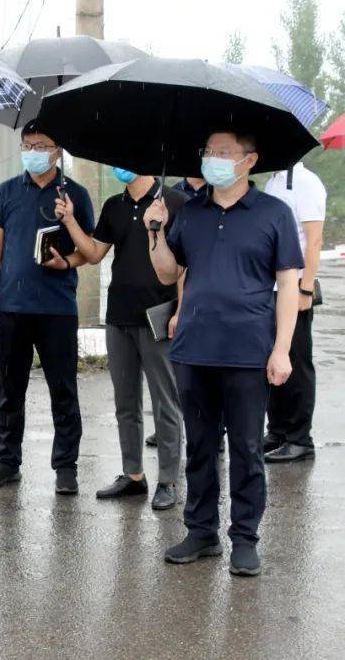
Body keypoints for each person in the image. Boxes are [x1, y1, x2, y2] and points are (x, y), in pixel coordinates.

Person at [145, 130, 303, 577]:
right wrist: (155, 231)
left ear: (249, 160)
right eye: (208, 153)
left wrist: (282, 350)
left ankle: (246, 537)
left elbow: (288, 284)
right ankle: (201, 532)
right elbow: (167, 272)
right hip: (194, 348)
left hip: (249, 351)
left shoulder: (274, 214)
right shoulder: (190, 212)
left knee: (248, 448)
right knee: (200, 446)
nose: (212, 160)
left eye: (223, 153)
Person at [54, 169, 185, 510]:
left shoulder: (174, 202)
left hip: (158, 316)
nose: (119, 165)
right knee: (126, 403)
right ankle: (133, 475)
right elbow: (95, 253)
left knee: (165, 402)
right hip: (119, 317)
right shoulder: (114, 205)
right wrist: (69, 221)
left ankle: (169, 479)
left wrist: (181, 311)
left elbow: (186, 264)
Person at [0, 120, 95, 495]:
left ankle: (65, 467)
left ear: (58, 150)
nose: (33, 151)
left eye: (41, 145)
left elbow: (88, 251)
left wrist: (66, 256)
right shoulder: (7, 192)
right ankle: (6, 462)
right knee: (11, 388)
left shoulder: (74, 194)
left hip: (57, 309)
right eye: (28, 144)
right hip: (12, 306)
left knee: (63, 389)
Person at [264, 161, 326, 463]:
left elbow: (314, 240)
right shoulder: (273, 181)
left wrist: (306, 287)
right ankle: (277, 431)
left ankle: (300, 439)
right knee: (272, 358)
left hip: (296, 289)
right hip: (272, 289)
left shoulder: (306, 182)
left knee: (297, 362)